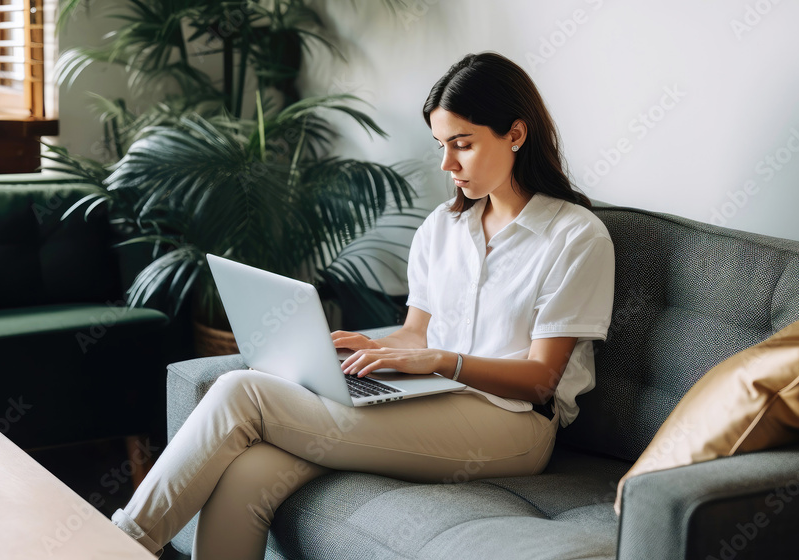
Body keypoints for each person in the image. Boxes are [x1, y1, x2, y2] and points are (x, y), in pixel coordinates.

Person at [110, 51, 615, 559]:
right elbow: (417, 334)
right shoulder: (444, 226)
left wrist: (443, 361)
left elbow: (542, 380)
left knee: (243, 391)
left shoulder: (574, 236)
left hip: (514, 424)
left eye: (463, 145)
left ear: (516, 134)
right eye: (441, 145)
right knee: (248, 473)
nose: (447, 164)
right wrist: (367, 345)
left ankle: (116, 546)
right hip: (430, 396)